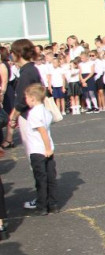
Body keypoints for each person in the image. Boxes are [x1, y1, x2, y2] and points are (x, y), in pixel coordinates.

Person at [21, 83, 58, 213]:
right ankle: (52, 204)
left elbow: (42, 131)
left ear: (32, 98)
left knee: (41, 179)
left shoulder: (34, 114)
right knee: (50, 178)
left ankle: (42, 206)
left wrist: (47, 148)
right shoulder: (46, 111)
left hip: (38, 150)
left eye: (26, 97)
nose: (25, 100)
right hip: (47, 150)